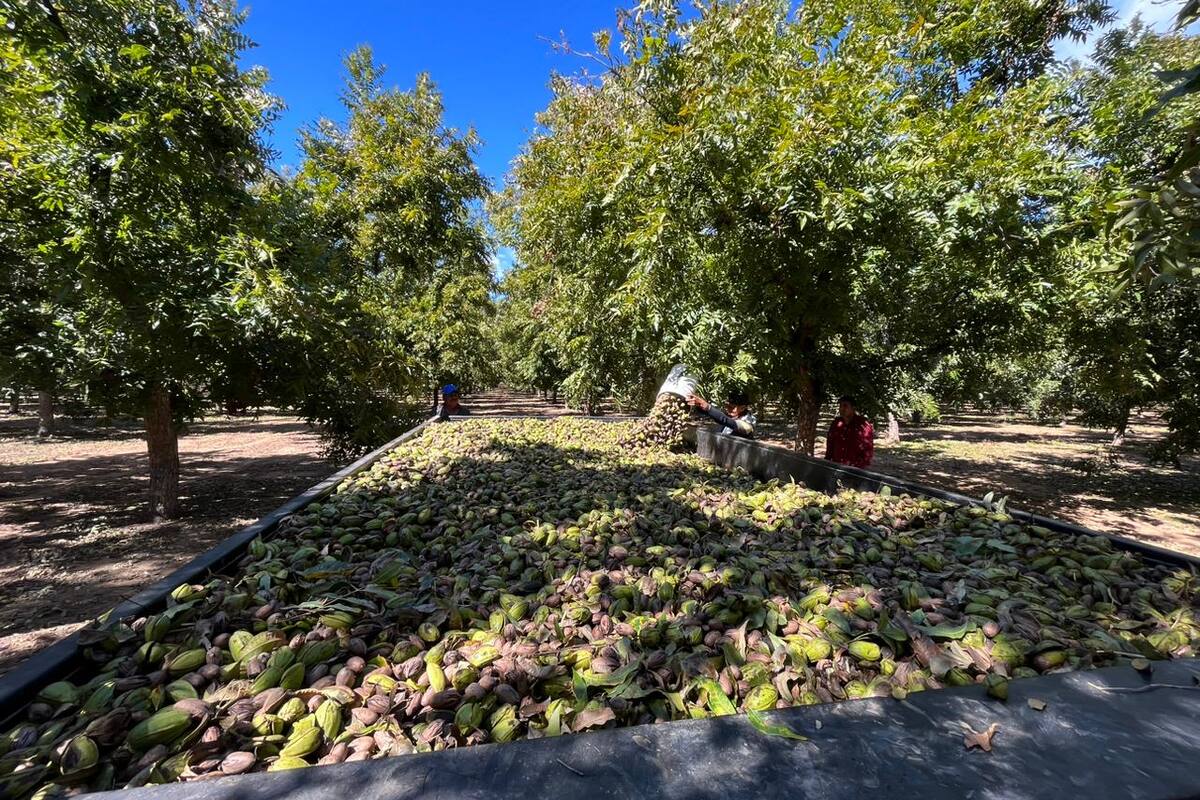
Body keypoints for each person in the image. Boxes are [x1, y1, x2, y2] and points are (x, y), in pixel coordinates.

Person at [825, 395, 874, 468]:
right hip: (836, 466)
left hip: (855, 469)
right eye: (840, 406)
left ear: (853, 408)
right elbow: (830, 444)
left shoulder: (863, 425)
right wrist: (828, 462)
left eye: (845, 406)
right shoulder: (836, 423)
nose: (842, 409)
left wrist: (859, 466)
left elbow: (868, 450)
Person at [687, 390, 756, 438]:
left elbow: (729, 422)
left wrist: (707, 407)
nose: (728, 409)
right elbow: (716, 416)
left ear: (742, 408)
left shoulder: (749, 420)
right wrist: (699, 406)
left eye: (731, 407)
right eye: (727, 406)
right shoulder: (730, 415)